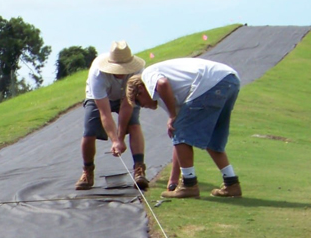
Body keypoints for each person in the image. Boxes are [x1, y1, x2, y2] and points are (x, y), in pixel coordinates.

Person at [126, 58, 242, 198]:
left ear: (140, 90)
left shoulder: (147, 75)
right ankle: (231, 184)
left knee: (180, 131)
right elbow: (179, 140)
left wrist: (172, 115)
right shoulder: (172, 94)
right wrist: (173, 180)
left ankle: (189, 185)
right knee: (212, 139)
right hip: (230, 80)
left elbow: (162, 84)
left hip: (210, 84)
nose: (143, 106)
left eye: (139, 102)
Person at [75, 41, 148, 191]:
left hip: (125, 97)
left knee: (134, 124)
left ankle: (139, 170)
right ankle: (87, 171)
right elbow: (104, 113)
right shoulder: (98, 74)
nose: (121, 72)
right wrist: (114, 141)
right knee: (89, 133)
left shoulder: (138, 71)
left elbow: (127, 106)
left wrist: (120, 138)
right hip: (100, 98)